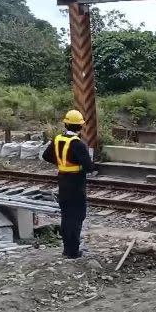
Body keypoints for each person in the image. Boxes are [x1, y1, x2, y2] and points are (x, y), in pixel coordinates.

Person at [41, 109, 95, 259]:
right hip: (76, 184)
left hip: (63, 182)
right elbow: (89, 167)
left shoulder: (57, 139)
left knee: (66, 217)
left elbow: (46, 156)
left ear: (65, 124)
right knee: (77, 217)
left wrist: (61, 163)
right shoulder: (78, 144)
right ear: (80, 127)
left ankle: (66, 250)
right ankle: (73, 252)